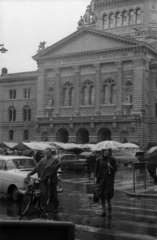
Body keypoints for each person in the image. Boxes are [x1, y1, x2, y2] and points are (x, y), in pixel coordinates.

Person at [27, 148, 60, 215]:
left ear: (51, 153)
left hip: (52, 180)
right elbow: (37, 167)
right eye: (45, 153)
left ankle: (56, 208)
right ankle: (43, 208)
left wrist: (47, 176)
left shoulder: (55, 160)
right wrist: (31, 173)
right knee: (44, 193)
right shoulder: (43, 159)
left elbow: (53, 170)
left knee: (54, 194)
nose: (46, 154)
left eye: (47, 153)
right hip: (43, 179)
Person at [95, 148, 117, 217]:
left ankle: (109, 205)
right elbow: (96, 169)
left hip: (109, 180)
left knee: (107, 194)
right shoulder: (99, 159)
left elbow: (115, 169)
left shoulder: (112, 159)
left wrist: (110, 166)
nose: (107, 151)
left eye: (108, 150)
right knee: (102, 195)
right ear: (103, 151)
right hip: (101, 179)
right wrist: (95, 178)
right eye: (106, 150)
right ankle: (103, 210)